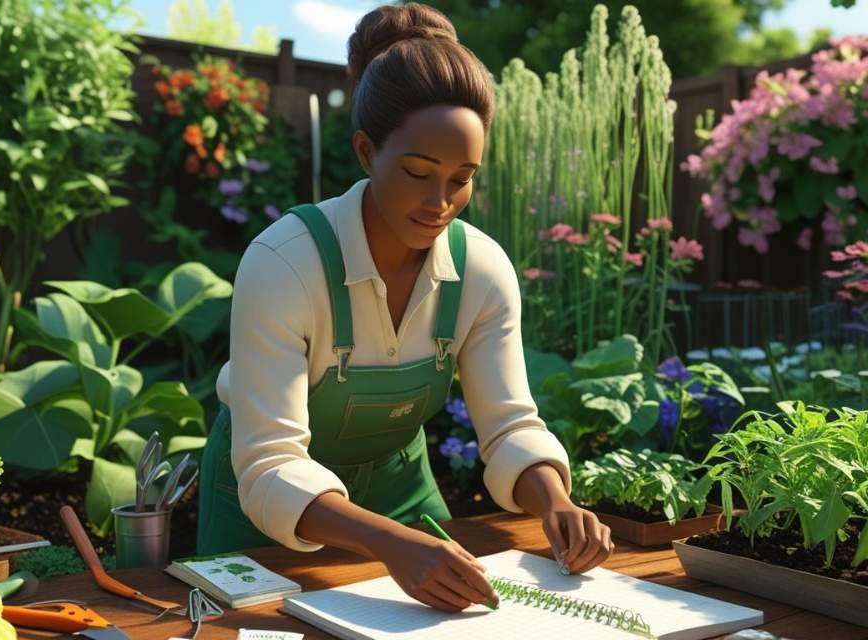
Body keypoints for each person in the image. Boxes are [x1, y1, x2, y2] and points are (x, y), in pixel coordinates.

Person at [197, 2, 614, 613]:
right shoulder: (285, 263)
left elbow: (510, 427)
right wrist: (391, 545)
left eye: (461, 178)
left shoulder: (481, 271)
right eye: (418, 173)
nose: (439, 202)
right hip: (265, 521)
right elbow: (271, 463)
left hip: (404, 504)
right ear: (367, 152)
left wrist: (556, 502)